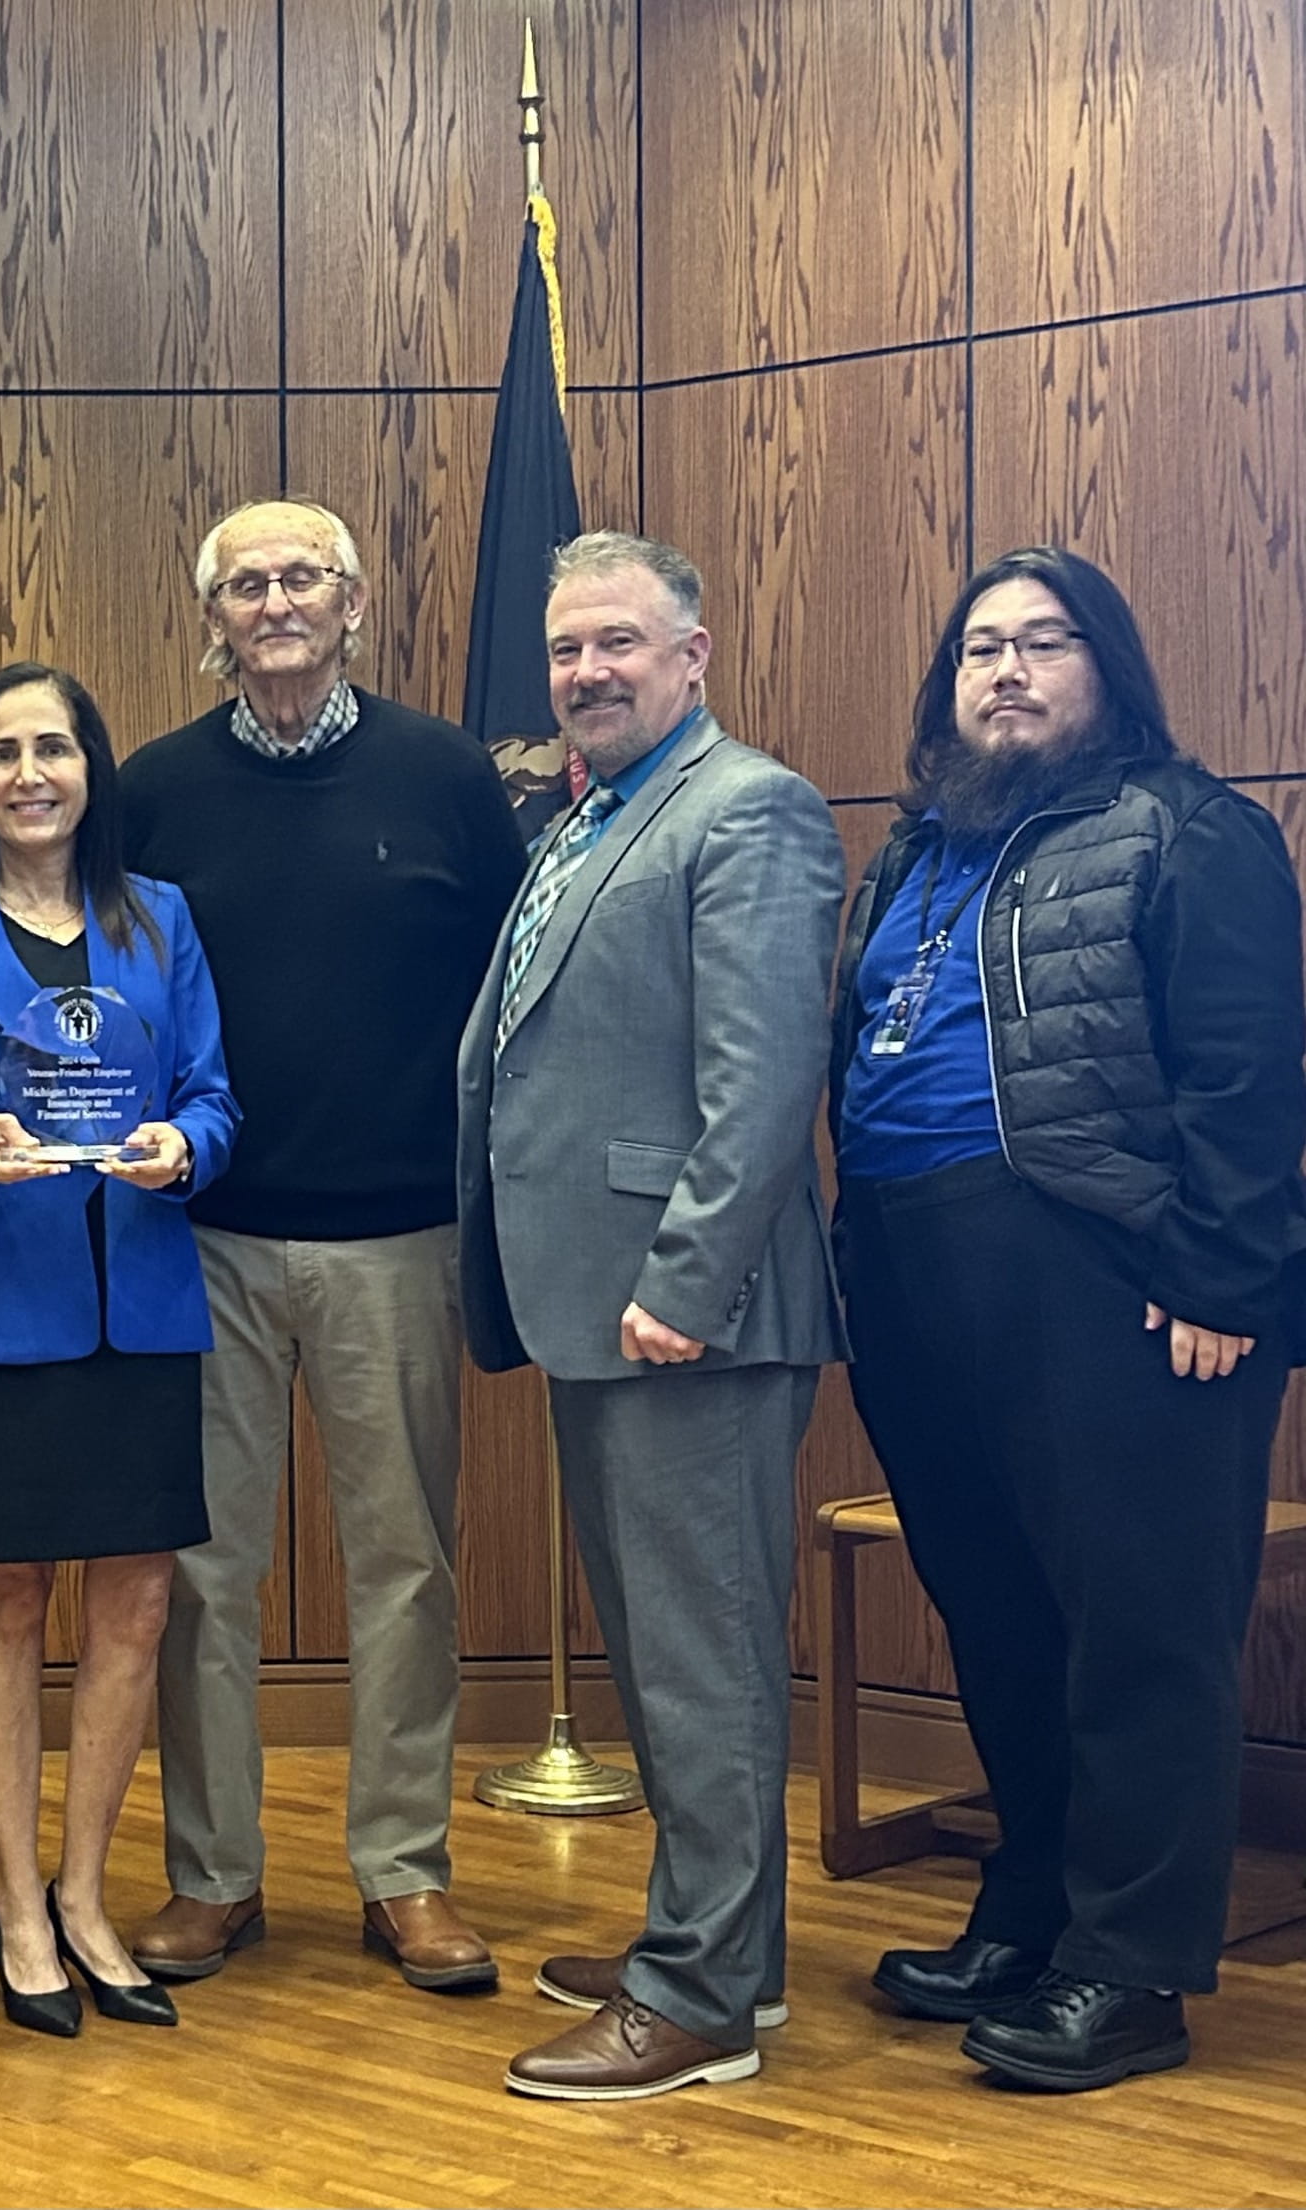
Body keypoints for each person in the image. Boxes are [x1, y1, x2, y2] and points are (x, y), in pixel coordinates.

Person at [829, 546, 1305, 2092]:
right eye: (981, 648)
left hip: (1117, 1283)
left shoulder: (1192, 830)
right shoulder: (914, 849)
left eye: (1045, 642)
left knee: (1143, 1630)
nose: (1009, 670)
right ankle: (1032, 1906)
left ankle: (1133, 1966)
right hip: (916, 1277)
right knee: (1001, 1612)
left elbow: (1250, 1082)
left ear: (1109, 666)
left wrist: (1231, 1282)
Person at [457, 530, 847, 2100]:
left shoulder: (747, 810)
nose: (585, 673)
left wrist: (683, 1286)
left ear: (694, 655)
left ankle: (701, 2001)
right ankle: (714, 1944)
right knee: (666, 1651)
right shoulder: (588, 816)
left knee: (707, 1660)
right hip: (597, 1310)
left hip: (688, 1313)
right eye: (565, 651)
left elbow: (761, 1088)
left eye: (619, 643)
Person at [119, 497, 525, 1994]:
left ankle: (405, 1872)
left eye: (302, 578)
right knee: (201, 1572)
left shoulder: (446, 778)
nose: (275, 601)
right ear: (212, 615)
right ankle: (213, 1876)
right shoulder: (151, 789)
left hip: (396, 1235)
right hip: (202, 1235)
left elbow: (510, 995)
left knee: (403, 1565)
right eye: (246, 583)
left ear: (354, 603)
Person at [0, 664, 239, 2038]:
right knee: (10, 1603)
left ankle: (89, 1893)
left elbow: (215, 1094)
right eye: (4, 752)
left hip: (139, 1305)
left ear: (93, 771)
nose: (31, 773)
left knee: (135, 1605)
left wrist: (187, 1144)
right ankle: (17, 1900)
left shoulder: (163, 919)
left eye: (57, 748)